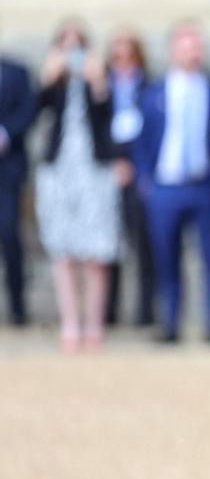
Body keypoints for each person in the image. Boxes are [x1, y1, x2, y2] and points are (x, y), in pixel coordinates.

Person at [132, 22, 210, 343]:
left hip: (204, 186)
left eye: (197, 46)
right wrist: (145, 180)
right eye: (186, 46)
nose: (193, 52)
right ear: (172, 51)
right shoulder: (153, 94)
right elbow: (142, 140)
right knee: (167, 256)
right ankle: (170, 322)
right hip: (164, 187)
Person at [34, 21, 122, 352]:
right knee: (64, 251)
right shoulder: (53, 84)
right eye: (65, 46)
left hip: (94, 169)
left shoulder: (99, 80)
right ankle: (70, 324)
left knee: (97, 251)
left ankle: (93, 324)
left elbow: (112, 117)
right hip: (59, 170)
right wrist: (47, 78)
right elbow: (34, 113)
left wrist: (98, 81)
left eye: (78, 46)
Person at [105, 29, 155, 328]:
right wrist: (113, 163)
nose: (123, 61)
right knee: (108, 245)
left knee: (144, 245)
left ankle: (145, 312)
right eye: (117, 56)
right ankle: (109, 312)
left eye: (128, 55)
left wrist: (137, 165)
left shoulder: (148, 87)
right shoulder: (103, 88)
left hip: (138, 172)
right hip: (109, 171)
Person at [0, 44, 36, 327]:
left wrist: (4, 134)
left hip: (7, 170)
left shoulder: (16, 71)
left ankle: (17, 307)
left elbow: (28, 110)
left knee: (10, 234)